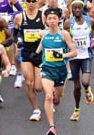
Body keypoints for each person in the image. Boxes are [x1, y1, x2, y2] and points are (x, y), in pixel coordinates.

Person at [35, 7, 77, 135]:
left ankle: (56, 97)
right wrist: (36, 53)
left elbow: (74, 52)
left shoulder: (64, 34)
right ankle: (52, 127)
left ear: (59, 20)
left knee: (58, 96)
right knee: (48, 96)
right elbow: (42, 44)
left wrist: (63, 56)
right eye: (49, 19)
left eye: (54, 18)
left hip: (60, 70)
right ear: (46, 21)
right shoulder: (43, 33)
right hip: (47, 69)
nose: (52, 21)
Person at [64, 0, 94, 122]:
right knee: (76, 87)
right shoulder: (68, 23)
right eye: (74, 8)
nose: (76, 10)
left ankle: (87, 89)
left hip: (86, 55)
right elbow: (64, 37)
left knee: (85, 82)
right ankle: (76, 109)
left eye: (79, 8)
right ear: (71, 10)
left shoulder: (90, 21)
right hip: (74, 57)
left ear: (82, 9)